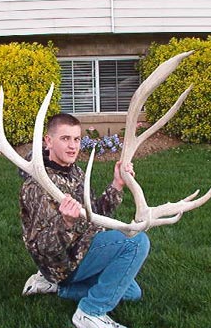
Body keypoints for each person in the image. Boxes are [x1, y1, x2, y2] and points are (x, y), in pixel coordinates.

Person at [19, 113, 150, 328]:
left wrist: (116, 185)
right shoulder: (36, 187)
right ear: (48, 141)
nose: (73, 146)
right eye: (65, 139)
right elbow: (41, 247)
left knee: (132, 292)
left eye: (77, 139)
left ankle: (56, 288)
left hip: (83, 249)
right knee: (136, 242)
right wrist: (66, 224)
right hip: (64, 263)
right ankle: (90, 312)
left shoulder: (74, 172)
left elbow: (93, 215)